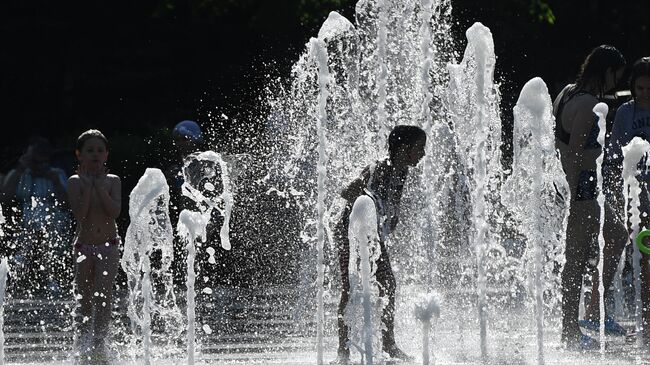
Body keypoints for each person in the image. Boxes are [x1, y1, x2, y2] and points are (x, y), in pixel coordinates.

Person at [553, 45, 628, 349]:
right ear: (605, 71)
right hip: (580, 190)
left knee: (617, 234)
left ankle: (591, 311)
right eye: (616, 76)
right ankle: (569, 330)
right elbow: (574, 154)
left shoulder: (568, 91)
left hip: (580, 188)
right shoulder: (587, 104)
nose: (617, 83)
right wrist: (575, 197)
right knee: (576, 260)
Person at [333, 125, 426, 363]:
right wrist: (368, 209)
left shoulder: (401, 170)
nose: (423, 154)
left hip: (371, 235)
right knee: (351, 287)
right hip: (350, 234)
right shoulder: (379, 168)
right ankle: (343, 351)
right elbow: (347, 192)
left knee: (388, 285)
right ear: (404, 149)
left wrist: (391, 215)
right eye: (419, 148)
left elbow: (391, 200)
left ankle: (388, 344)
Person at [605, 57, 650, 340]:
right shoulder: (625, 113)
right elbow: (613, 154)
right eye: (641, 88)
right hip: (637, 197)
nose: (645, 93)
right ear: (633, 86)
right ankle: (645, 321)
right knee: (643, 260)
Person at [67, 129, 122, 362]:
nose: (95, 154)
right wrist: (89, 187)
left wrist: (99, 187)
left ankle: (100, 342)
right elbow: (80, 214)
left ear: (107, 155)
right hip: (83, 247)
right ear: (79, 155)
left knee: (104, 295)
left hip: (108, 246)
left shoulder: (113, 181)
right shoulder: (74, 182)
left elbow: (115, 212)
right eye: (90, 150)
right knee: (85, 297)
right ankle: (83, 342)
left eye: (100, 150)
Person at [1, 136, 71, 297]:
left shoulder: (57, 174)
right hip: (26, 223)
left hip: (53, 221)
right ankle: (17, 281)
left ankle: (51, 278)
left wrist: (55, 181)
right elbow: (5, 197)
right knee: (31, 233)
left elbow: (66, 204)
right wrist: (20, 169)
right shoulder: (20, 174)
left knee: (45, 230)